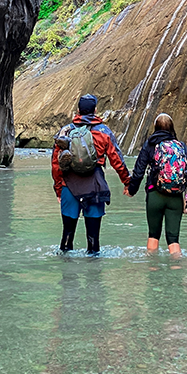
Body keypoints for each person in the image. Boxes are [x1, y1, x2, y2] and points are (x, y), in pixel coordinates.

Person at [53, 94, 131, 254]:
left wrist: (58, 188)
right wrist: (127, 182)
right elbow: (117, 159)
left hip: (69, 186)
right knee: (94, 240)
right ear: (95, 110)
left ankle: (67, 274)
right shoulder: (104, 131)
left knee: (67, 237)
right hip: (95, 187)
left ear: (78, 110)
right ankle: (94, 276)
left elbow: (55, 163)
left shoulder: (66, 132)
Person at [127, 113, 187, 257]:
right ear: (172, 128)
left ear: (155, 127)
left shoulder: (150, 145)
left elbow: (139, 171)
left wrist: (132, 190)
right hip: (175, 197)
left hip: (154, 195)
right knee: (174, 240)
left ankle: (153, 274)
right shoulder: (181, 147)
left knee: (153, 236)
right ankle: (175, 274)